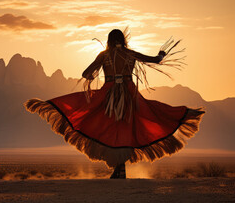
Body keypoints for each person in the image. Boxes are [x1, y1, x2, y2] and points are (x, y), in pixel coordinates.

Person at [24, 29, 205, 179]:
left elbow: (86, 73)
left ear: (109, 41)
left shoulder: (104, 55)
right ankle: (121, 168)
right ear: (123, 40)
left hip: (108, 94)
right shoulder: (130, 53)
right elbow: (156, 60)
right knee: (139, 120)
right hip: (129, 94)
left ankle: (119, 169)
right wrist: (162, 53)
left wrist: (91, 76)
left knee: (108, 127)